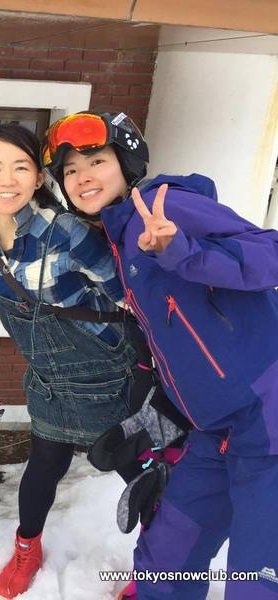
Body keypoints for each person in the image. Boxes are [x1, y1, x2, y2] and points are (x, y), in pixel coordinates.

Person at [42, 110, 278, 599]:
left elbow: (269, 253)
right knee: (167, 557)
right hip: (216, 432)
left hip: (269, 423)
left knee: (257, 582)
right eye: (70, 170)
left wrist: (183, 252)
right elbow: (182, 333)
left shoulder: (163, 205)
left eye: (96, 161)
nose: (82, 177)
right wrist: (164, 408)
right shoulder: (119, 238)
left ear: (125, 163)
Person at [0, 124, 147, 599]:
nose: (7, 179)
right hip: (48, 379)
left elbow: (132, 297)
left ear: (38, 178)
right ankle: (27, 548)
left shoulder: (68, 233)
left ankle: (159, 566)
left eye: (21, 167)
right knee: (43, 467)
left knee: (140, 477)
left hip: (105, 377)